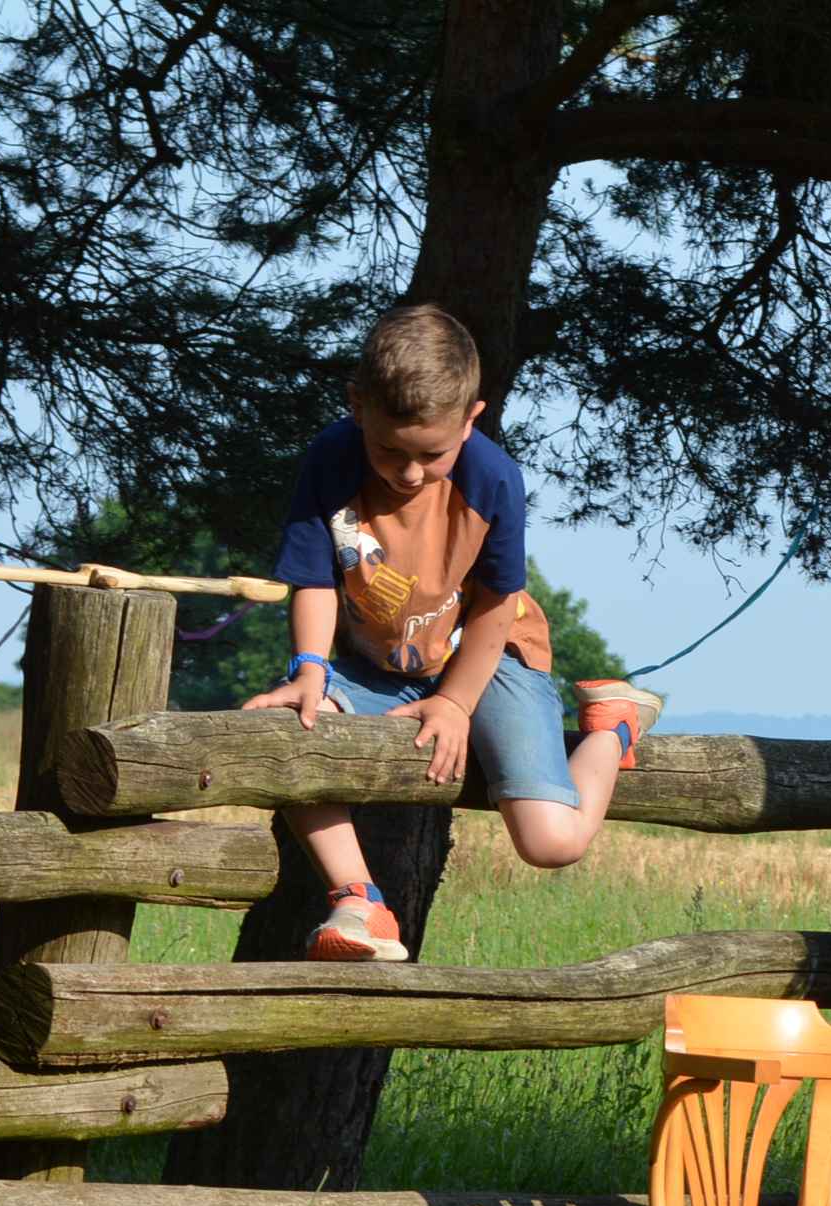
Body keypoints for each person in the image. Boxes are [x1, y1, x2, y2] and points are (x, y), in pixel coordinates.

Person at [247, 303, 662, 960]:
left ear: (471, 420)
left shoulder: (492, 477)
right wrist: (308, 671)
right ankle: (360, 901)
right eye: (389, 451)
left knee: (552, 841)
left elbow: (498, 606)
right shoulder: (331, 459)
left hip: (491, 656)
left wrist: (456, 702)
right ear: (357, 406)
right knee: (291, 733)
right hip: (379, 662)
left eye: (429, 456)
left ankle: (614, 726)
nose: (407, 474)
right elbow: (316, 579)